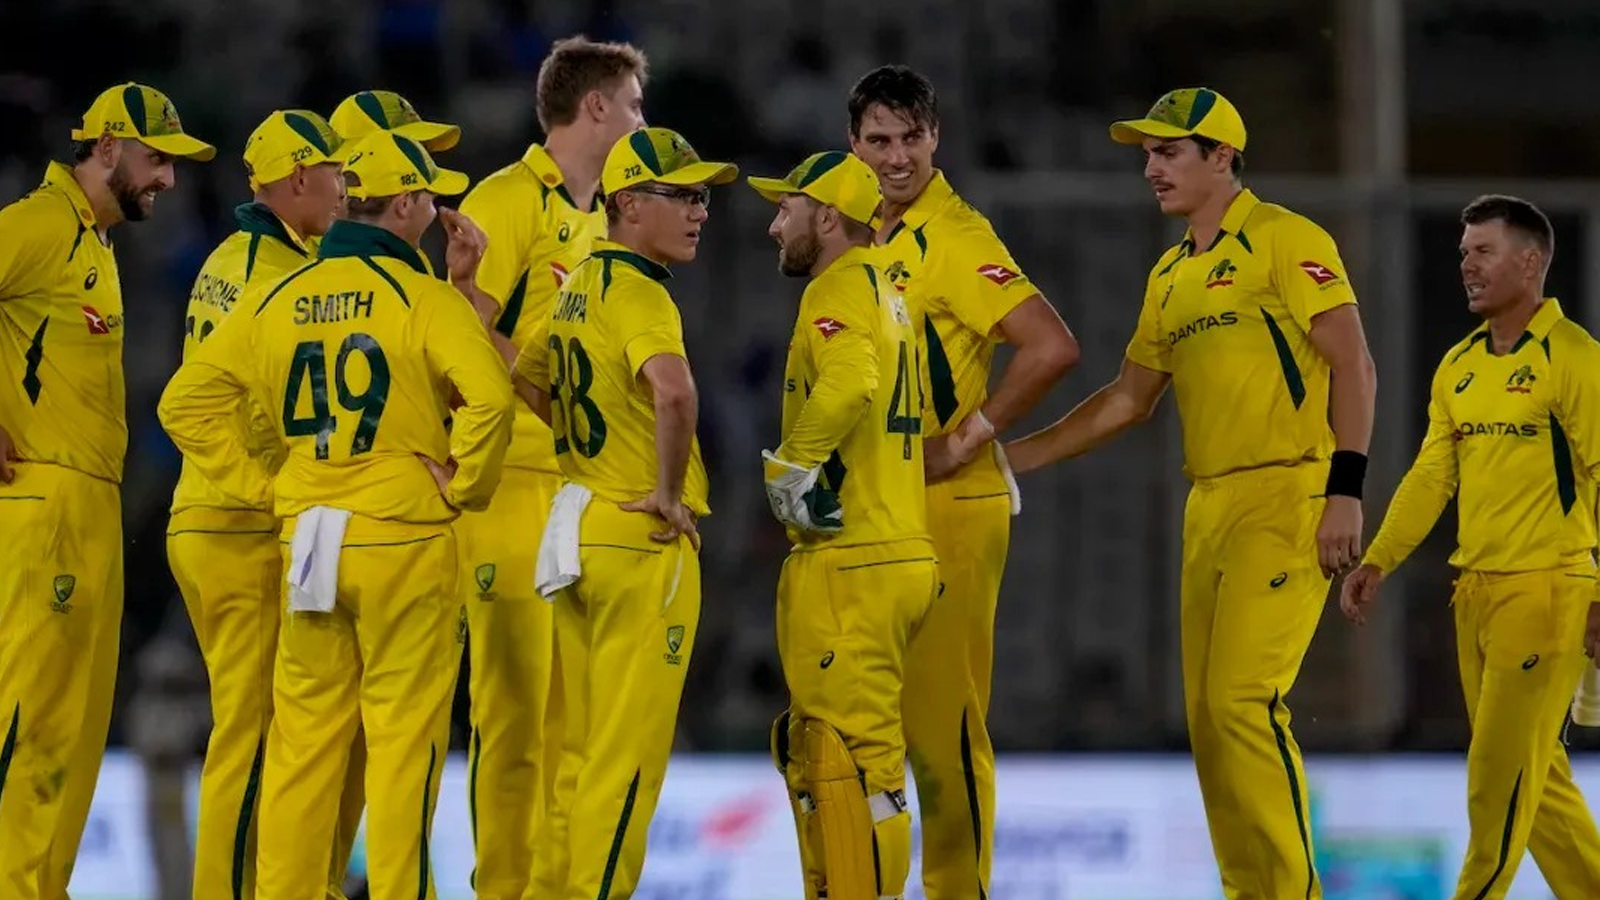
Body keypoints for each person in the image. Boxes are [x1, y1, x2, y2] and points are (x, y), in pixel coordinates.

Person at [1004, 87, 1377, 900]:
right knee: (1210, 722)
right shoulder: (1171, 272)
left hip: (1291, 493)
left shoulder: (1285, 238)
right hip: (1209, 504)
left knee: (1245, 701)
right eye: (1147, 152)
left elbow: (1353, 362)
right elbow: (1127, 400)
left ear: (1222, 157)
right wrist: (1012, 459)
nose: (1151, 167)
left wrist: (1344, 491)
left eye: (1168, 151)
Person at [157, 131, 513, 900]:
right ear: (411, 204)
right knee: (401, 747)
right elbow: (489, 396)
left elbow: (181, 402)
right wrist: (465, 485)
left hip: (310, 536)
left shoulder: (278, 296)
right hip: (402, 536)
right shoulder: (423, 299)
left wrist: (264, 488)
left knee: (300, 743)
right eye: (431, 195)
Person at [845, 64, 1079, 900]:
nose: (897, 157)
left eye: (911, 138)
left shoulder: (956, 235)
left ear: (936, 137)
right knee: (882, 720)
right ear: (854, 145)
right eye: (879, 140)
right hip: (884, 504)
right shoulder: (864, 229)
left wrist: (970, 435)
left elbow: (1051, 345)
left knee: (942, 725)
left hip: (949, 503)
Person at [1342, 195, 1600, 900]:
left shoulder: (1573, 358)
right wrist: (1380, 558)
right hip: (1476, 595)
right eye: (1462, 254)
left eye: (1483, 252)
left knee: (1495, 784)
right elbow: (1432, 476)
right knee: (1536, 783)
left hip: (1547, 591)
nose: (1467, 266)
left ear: (1530, 261)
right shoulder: (1458, 365)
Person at [0, 81, 213, 900]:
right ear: (110, 148)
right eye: (157, 159)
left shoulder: (90, 242)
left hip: (87, 508)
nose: (166, 180)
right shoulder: (40, 225)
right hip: (41, 505)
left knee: (73, 739)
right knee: (28, 724)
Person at [510, 126, 734, 899]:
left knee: (574, 752)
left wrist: (585, 444)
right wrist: (668, 492)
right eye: (684, 196)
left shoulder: (576, 282)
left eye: (703, 196)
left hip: (579, 525)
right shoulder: (639, 291)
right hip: (640, 536)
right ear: (630, 205)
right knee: (625, 759)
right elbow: (673, 390)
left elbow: (527, 377)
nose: (701, 211)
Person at [453, 36, 646, 900]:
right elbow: (460, 332)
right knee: (514, 719)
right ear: (595, 107)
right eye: (636, 104)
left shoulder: (613, 212)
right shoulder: (503, 198)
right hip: (509, 484)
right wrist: (547, 398)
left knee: (578, 720)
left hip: (579, 491)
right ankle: (502, 886)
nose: (643, 119)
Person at [165, 108, 366, 900]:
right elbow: (191, 405)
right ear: (294, 180)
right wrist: (264, 491)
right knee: (249, 738)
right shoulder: (270, 274)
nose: (346, 188)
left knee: (269, 732)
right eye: (335, 173)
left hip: (221, 516)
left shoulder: (245, 255)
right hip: (234, 523)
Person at [748, 150, 936, 900]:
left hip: (854, 558)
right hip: (894, 548)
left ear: (828, 217)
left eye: (786, 209)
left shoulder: (835, 288)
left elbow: (853, 380)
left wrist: (792, 465)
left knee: (847, 764)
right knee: (866, 767)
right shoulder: (887, 291)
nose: (773, 225)